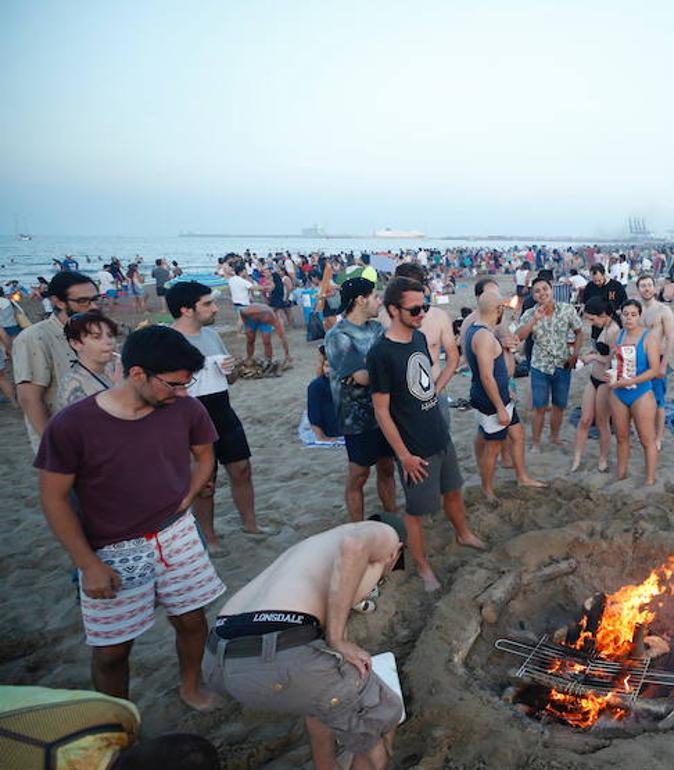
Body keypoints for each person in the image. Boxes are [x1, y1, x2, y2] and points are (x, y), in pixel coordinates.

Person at [35, 326, 224, 710]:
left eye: (188, 384)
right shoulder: (72, 425)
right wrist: (87, 563)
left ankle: (191, 685)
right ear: (138, 374)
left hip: (175, 535)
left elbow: (205, 455)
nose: (183, 393)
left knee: (191, 620)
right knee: (112, 650)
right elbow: (53, 499)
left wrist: (187, 495)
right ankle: (115, 720)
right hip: (110, 548)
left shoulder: (185, 407)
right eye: (173, 384)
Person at [202, 522, 403, 770]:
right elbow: (355, 545)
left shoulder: (311, 549)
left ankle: (325, 765)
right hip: (275, 652)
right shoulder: (385, 535)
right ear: (396, 553)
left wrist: (339, 641)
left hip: (217, 657)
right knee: (383, 712)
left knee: (323, 696)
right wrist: (337, 639)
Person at [367, 277, 485, 591]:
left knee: (454, 491)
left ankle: (464, 533)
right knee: (416, 513)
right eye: (415, 308)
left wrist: (436, 393)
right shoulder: (381, 353)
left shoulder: (418, 338)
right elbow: (381, 411)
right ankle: (422, 566)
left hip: (439, 433)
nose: (422, 313)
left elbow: (426, 382)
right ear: (393, 310)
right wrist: (404, 456)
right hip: (415, 447)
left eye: (425, 306)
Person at [168, 282, 268, 553]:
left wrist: (231, 368)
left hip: (222, 409)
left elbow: (232, 379)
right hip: (189, 416)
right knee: (204, 482)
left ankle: (251, 524)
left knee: (241, 468)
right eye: (207, 304)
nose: (215, 308)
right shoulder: (169, 340)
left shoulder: (211, 335)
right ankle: (210, 537)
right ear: (186, 309)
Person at [324, 278, 399, 523]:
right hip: (355, 416)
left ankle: (391, 520)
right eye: (375, 296)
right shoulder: (338, 336)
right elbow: (362, 377)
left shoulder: (376, 329)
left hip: (384, 411)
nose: (379, 301)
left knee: (387, 468)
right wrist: (380, 371)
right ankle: (357, 526)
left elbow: (384, 365)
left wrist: (377, 370)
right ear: (360, 300)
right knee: (359, 473)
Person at [467, 289, 543, 502]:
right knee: (493, 447)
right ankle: (488, 490)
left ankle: (522, 476)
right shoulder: (482, 336)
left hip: (501, 395)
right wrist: (500, 407)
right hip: (492, 401)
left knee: (518, 434)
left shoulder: (480, 330)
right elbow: (486, 377)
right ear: (498, 310)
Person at [13, 270, 101, 451]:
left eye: (95, 299)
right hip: (65, 442)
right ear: (58, 301)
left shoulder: (94, 333)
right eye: (83, 301)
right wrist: (53, 446)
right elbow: (29, 398)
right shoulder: (36, 337)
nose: (93, 307)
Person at [515, 277, 583, 450]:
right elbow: (519, 336)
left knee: (559, 405)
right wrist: (534, 320)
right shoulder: (530, 313)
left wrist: (575, 353)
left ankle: (554, 437)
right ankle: (536, 443)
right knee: (540, 407)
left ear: (551, 289)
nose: (542, 293)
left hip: (563, 364)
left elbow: (579, 331)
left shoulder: (566, 309)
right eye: (537, 291)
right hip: (540, 366)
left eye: (545, 289)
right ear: (533, 295)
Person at [392, 263, 460, 427]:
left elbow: (453, 359)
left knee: (440, 446)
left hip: (434, 391)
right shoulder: (386, 317)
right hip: (399, 398)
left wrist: (437, 390)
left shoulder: (438, 317)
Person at [608, 300, 663, 485]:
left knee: (647, 439)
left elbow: (655, 370)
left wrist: (632, 381)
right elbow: (615, 362)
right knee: (621, 437)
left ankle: (650, 479)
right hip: (619, 392)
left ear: (639, 316)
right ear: (621, 315)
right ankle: (621, 474)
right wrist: (613, 375)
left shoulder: (649, 338)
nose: (629, 318)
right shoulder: (619, 335)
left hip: (641, 392)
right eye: (625, 314)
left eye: (633, 314)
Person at [570, 296, 619, 473]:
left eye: (592, 318)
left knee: (602, 422)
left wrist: (592, 357)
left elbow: (613, 359)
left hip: (605, 380)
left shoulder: (614, 330)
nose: (591, 322)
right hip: (594, 377)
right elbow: (599, 350)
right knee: (584, 419)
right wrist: (589, 355)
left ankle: (603, 458)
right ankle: (577, 458)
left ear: (604, 314)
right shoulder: (601, 328)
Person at [638, 274, 674, 451]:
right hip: (640, 360)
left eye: (649, 285)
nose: (646, 288)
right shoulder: (636, 310)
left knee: (659, 401)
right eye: (642, 285)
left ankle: (658, 437)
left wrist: (663, 365)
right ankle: (645, 432)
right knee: (641, 399)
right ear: (638, 289)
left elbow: (670, 338)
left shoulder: (663, 310)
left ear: (654, 288)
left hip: (658, 359)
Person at [56, 310, 122, 411]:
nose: (108, 341)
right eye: (96, 337)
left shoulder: (114, 369)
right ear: (76, 344)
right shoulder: (73, 385)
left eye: (110, 335)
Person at [307, 345, 342, 442]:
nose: (328, 370)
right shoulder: (317, 386)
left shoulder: (347, 381)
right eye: (326, 366)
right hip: (331, 429)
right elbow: (314, 414)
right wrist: (321, 437)